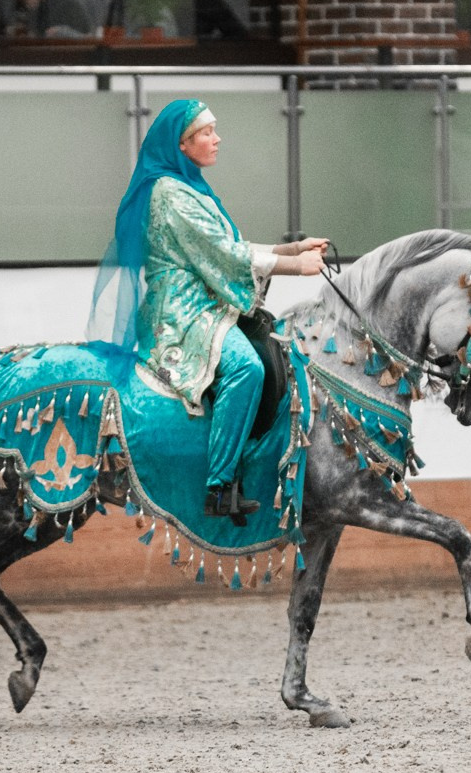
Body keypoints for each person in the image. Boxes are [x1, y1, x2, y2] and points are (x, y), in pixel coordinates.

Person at [87, 99, 328, 524]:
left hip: (204, 300)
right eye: (206, 133)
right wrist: (295, 266)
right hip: (182, 310)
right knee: (246, 368)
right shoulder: (169, 193)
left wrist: (290, 249)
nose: (217, 140)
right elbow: (221, 254)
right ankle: (220, 485)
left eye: (214, 130)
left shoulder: (190, 186)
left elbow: (227, 248)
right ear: (182, 144)